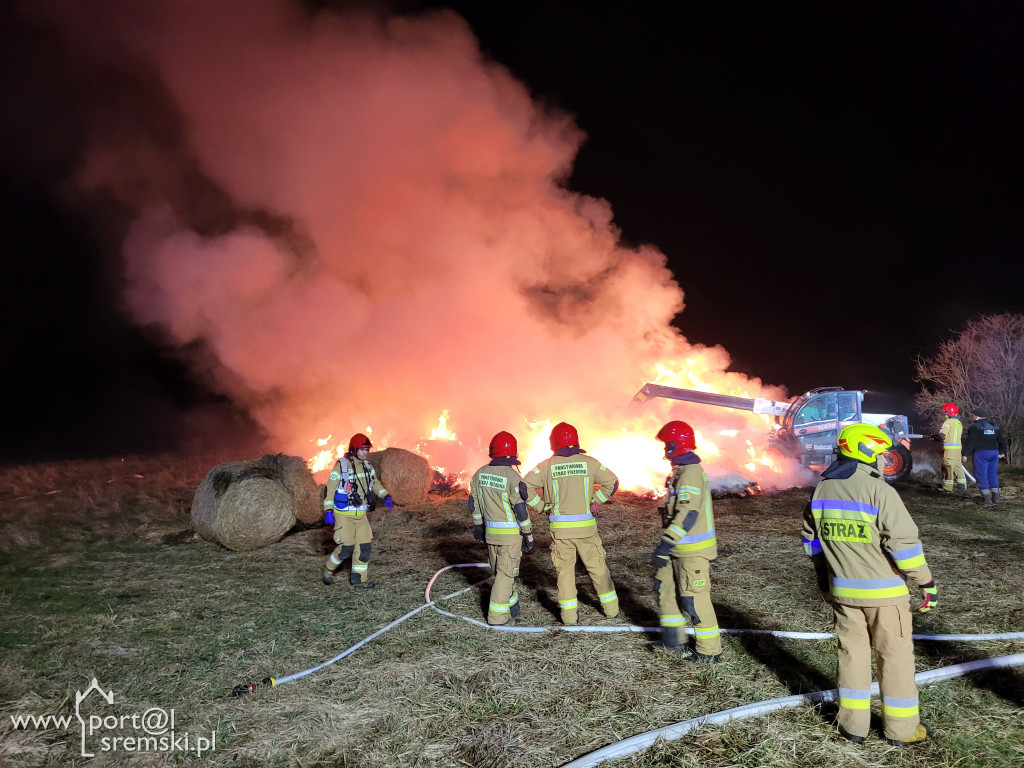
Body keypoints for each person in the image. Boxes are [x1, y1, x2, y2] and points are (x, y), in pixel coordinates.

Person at [801, 424, 936, 747]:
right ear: (866, 451)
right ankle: (901, 731)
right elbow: (903, 545)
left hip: (844, 594)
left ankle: (852, 727)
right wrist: (925, 582)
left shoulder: (822, 490)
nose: (880, 458)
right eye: (878, 452)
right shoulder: (880, 491)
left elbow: (812, 543)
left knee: (851, 656)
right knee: (895, 659)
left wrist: (824, 579)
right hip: (885, 596)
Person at [523, 422, 620, 625]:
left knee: (564, 573)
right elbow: (613, 482)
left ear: (553, 443)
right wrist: (596, 500)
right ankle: (611, 611)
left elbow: (523, 488)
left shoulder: (546, 466)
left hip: (560, 532)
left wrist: (541, 507)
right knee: (597, 568)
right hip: (586, 529)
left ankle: (569, 618)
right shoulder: (589, 462)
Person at [649, 420, 722, 661]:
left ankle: (709, 651)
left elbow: (688, 514)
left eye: (665, 445)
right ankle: (674, 641)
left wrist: (666, 543)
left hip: (691, 551)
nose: (663, 450)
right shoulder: (681, 471)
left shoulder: (690, 474)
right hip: (677, 548)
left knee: (694, 599)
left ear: (673, 445)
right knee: (665, 590)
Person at [469, 431, 534, 626]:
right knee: (506, 576)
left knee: (502, 573)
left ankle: (512, 607)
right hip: (510, 537)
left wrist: (478, 526)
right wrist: (528, 534)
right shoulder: (512, 476)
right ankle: (497, 618)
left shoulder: (479, 473)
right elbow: (520, 510)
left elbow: (474, 504)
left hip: (491, 535)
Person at [322, 433, 393, 588]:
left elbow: (375, 484)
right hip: (343, 516)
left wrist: (385, 495)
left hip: (361, 516)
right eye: (361, 449)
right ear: (354, 449)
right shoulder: (341, 466)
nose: (364, 452)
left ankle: (359, 580)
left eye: (366, 449)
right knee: (347, 547)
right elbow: (330, 488)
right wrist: (328, 509)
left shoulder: (368, 467)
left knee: (364, 547)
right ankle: (328, 570)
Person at [963, 408, 1008, 505]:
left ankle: (987, 500)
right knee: (992, 474)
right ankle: (996, 498)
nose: (973, 417)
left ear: (976, 416)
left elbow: (971, 442)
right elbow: (1002, 440)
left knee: (981, 475)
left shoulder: (975, 427)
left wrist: (965, 454)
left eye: (973, 415)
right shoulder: (994, 426)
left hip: (981, 453)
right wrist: (1002, 451)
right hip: (994, 453)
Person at [930, 402, 967, 494]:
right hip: (958, 449)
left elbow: (942, 435)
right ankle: (962, 485)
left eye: (945, 412)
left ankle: (947, 487)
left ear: (948, 412)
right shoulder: (959, 423)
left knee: (948, 466)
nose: (944, 413)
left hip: (950, 449)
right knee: (958, 465)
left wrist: (934, 437)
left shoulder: (948, 422)